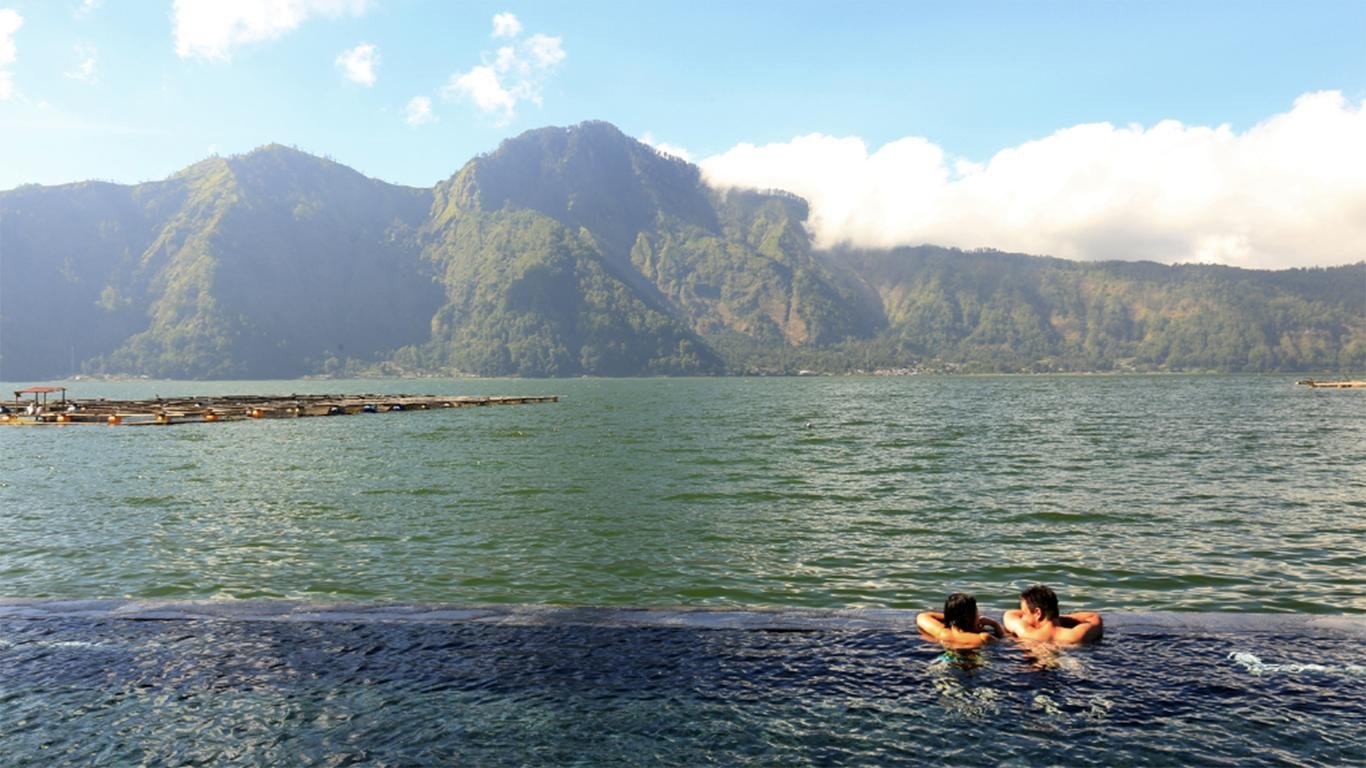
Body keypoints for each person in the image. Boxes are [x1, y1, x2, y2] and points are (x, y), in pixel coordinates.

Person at [1002, 584, 1103, 645]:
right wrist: (1055, 618)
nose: (1023, 617)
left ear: (1038, 613)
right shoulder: (1075, 636)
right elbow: (1094, 617)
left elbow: (1009, 614)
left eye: (1024, 613)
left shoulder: (1027, 633)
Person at [917, 592, 1004, 649]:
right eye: (977, 612)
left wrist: (952, 617)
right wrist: (995, 624)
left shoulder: (942, 633)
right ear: (971, 616)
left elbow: (922, 616)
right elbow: (1004, 643)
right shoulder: (983, 638)